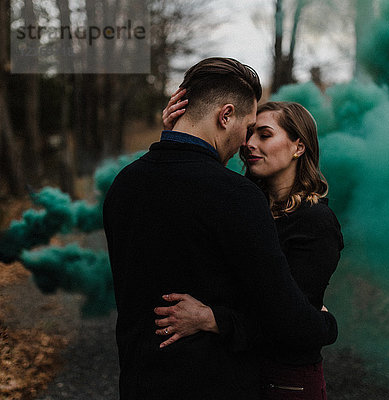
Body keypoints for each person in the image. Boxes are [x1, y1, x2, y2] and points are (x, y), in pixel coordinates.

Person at [103, 57, 338, 400]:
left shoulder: (125, 184)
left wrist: (172, 139)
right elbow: (288, 319)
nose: (245, 143)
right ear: (225, 116)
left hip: (139, 383)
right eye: (247, 128)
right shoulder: (236, 196)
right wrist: (326, 325)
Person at [156, 99, 344, 399]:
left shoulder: (314, 222)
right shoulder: (244, 204)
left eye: (265, 135)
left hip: (285, 380)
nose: (249, 144)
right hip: (234, 373)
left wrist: (210, 319)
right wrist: (179, 135)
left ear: (298, 146)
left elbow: (289, 323)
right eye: (250, 133)